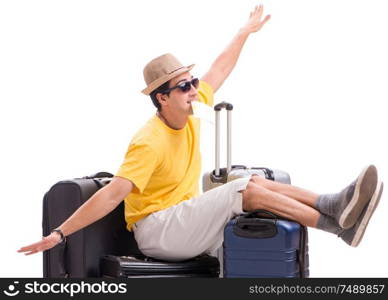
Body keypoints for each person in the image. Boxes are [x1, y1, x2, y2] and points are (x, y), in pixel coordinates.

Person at [18, 5, 383, 261]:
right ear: (162, 98)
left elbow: (219, 70)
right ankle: (336, 225)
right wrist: (60, 234)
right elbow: (112, 195)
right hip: (157, 232)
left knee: (247, 180)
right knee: (241, 190)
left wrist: (243, 33)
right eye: (184, 87)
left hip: (183, 219)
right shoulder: (149, 141)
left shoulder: (190, 111)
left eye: (192, 82)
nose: (194, 89)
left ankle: (332, 206)